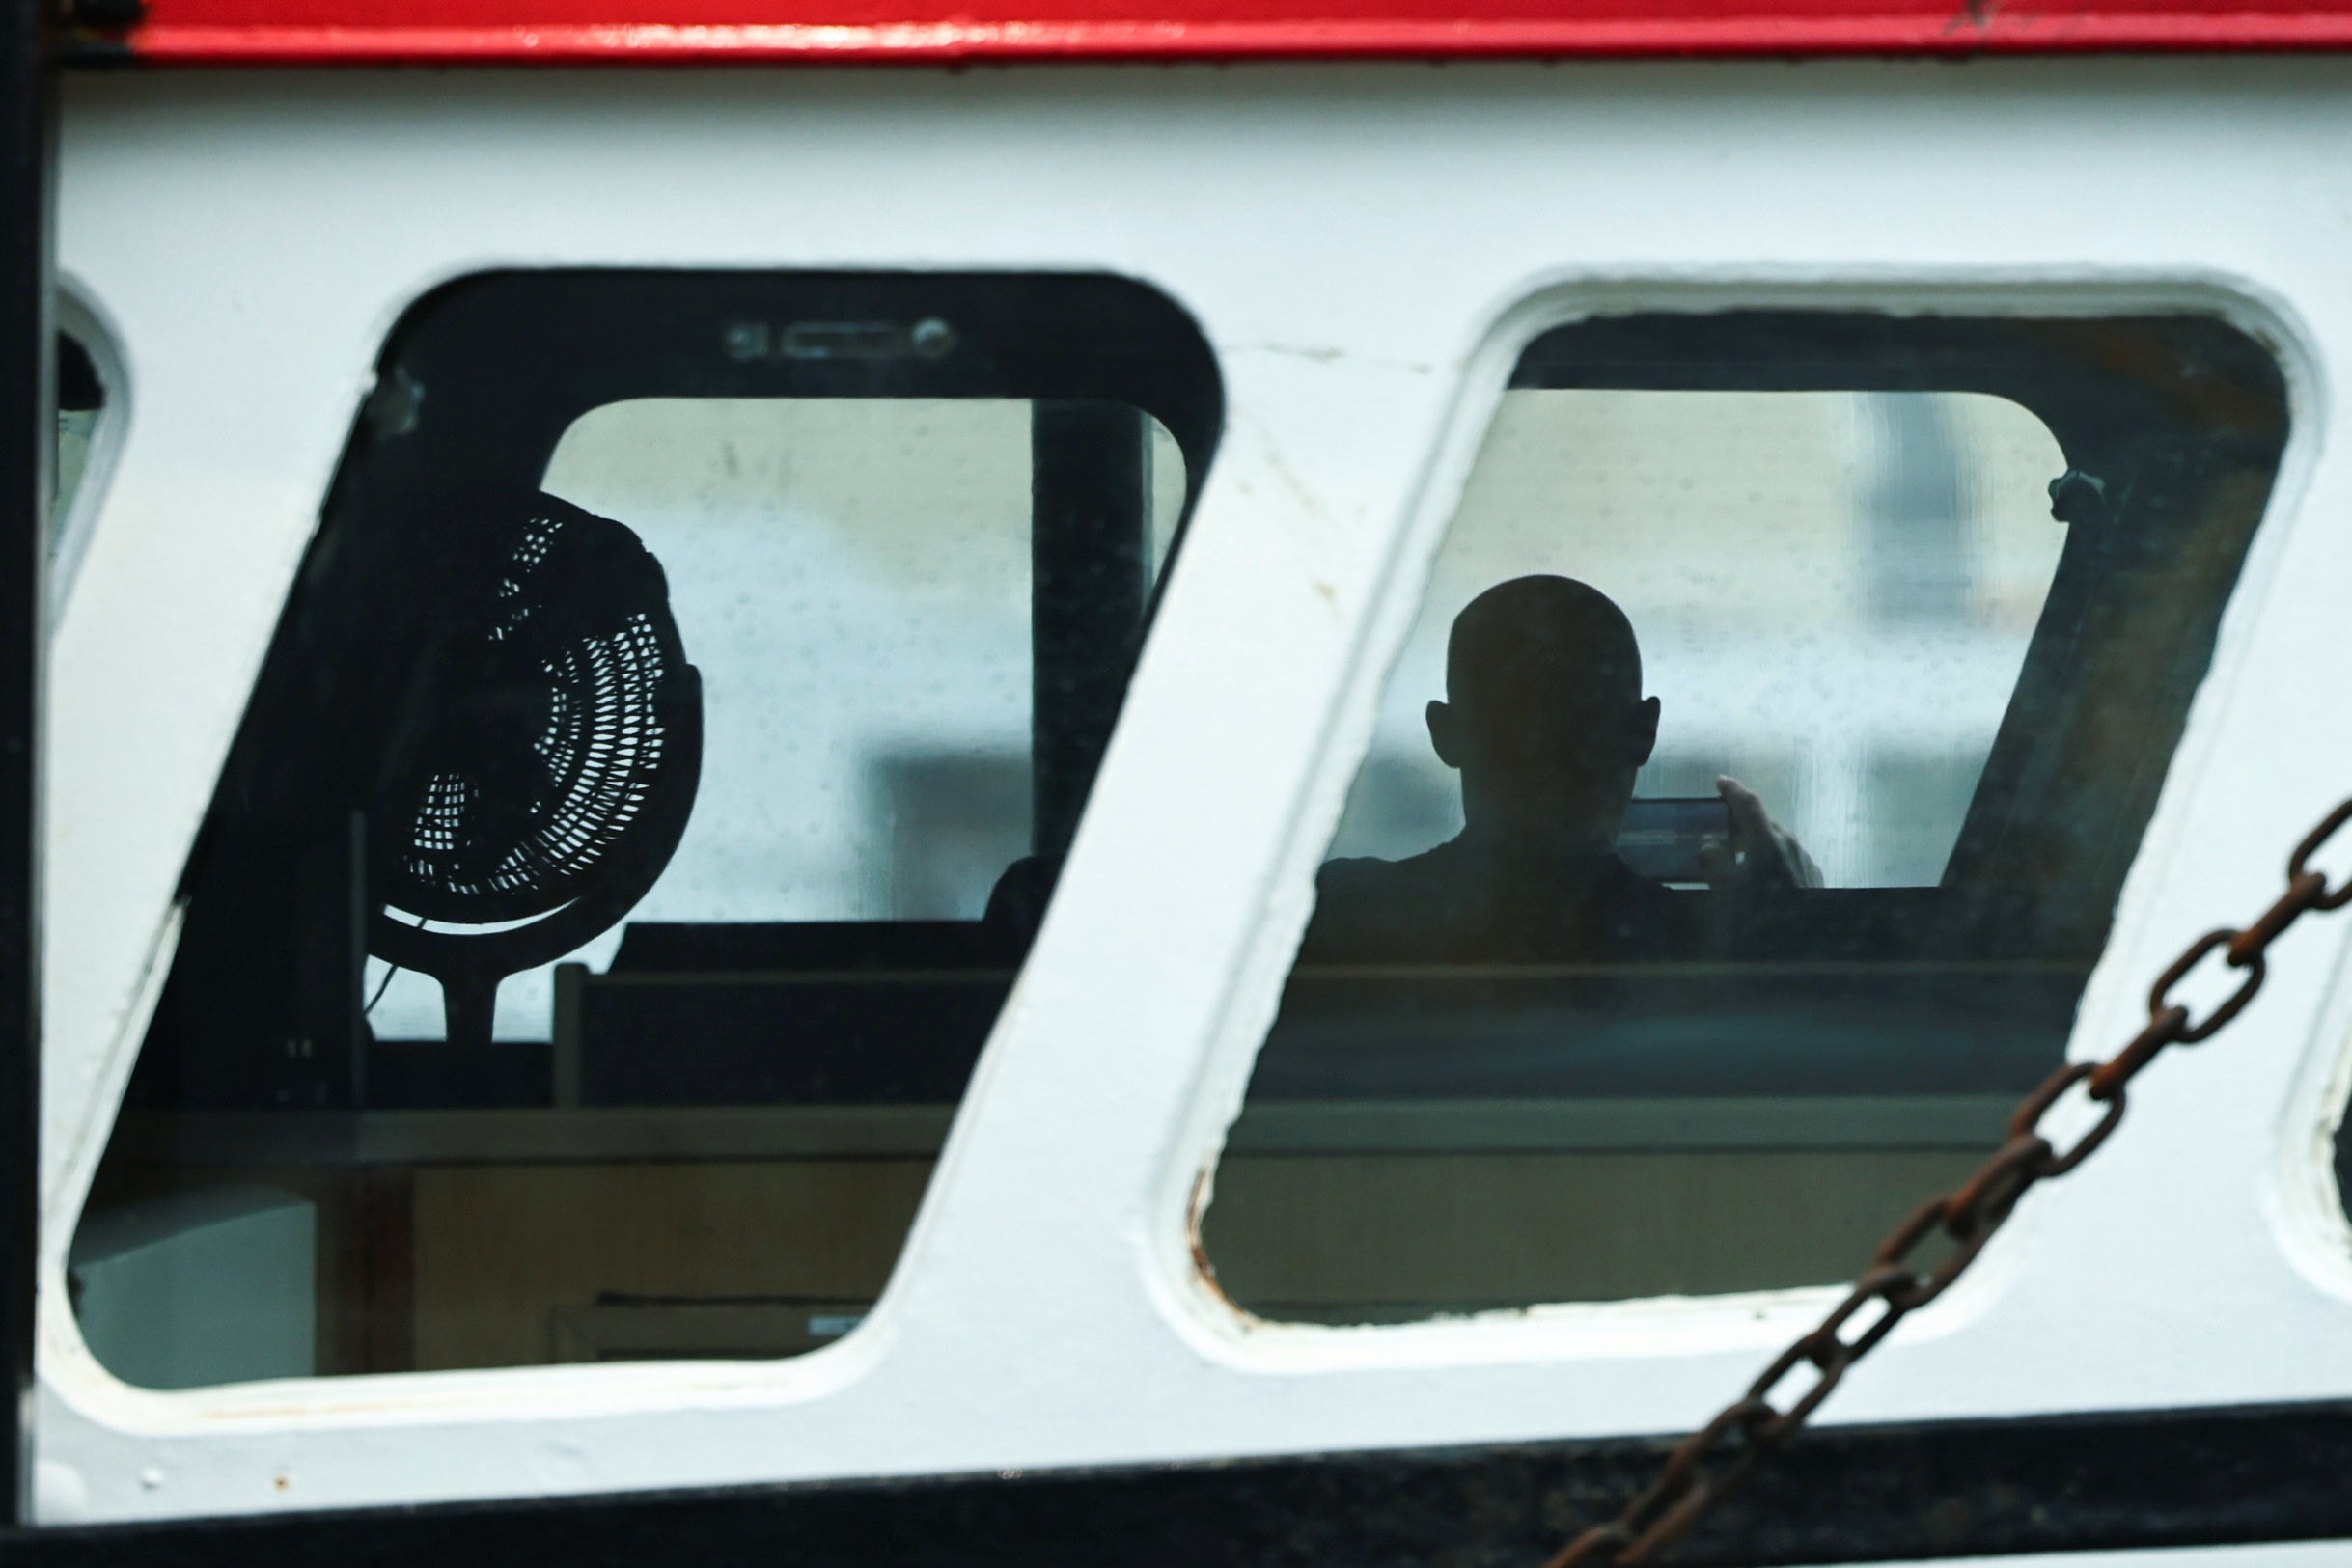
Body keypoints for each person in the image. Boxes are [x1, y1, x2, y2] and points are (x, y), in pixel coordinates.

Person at [1302, 574, 1814, 962]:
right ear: (1643, 732)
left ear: (1446, 733)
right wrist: (1802, 924)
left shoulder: (1332, 913)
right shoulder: (1702, 943)